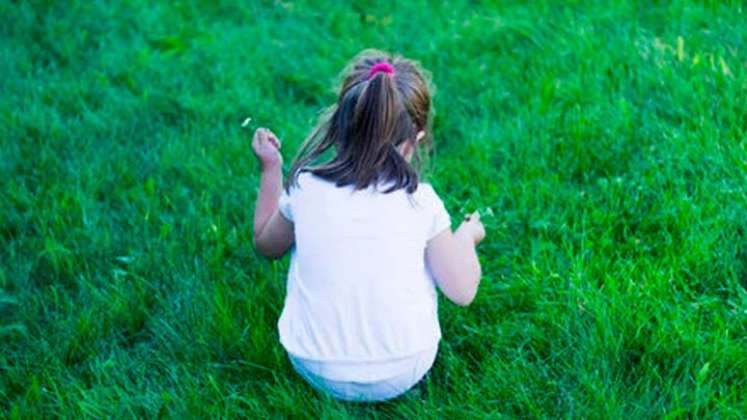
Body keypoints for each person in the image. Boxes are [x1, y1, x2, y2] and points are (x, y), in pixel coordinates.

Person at [250, 49, 485, 402]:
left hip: (314, 363)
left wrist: (270, 169)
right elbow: (462, 291)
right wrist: (466, 237)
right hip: (405, 364)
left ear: (341, 124)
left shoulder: (306, 188)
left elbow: (266, 246)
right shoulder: (421, 201)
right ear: (417, 138)